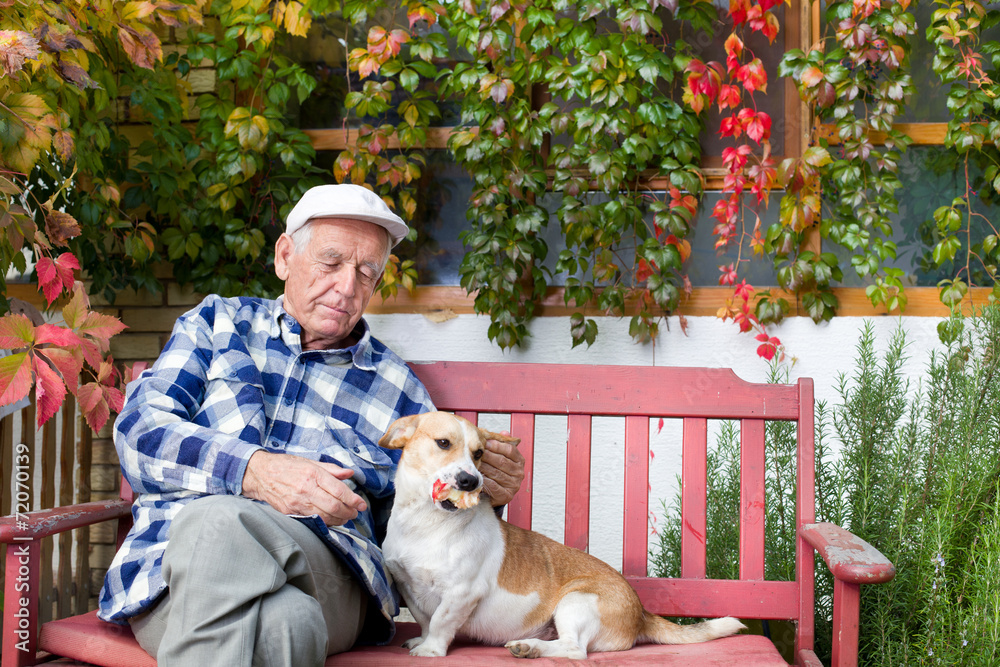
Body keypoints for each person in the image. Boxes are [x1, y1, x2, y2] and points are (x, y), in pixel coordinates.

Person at [98, 184, 526, 666]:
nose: (347, 287)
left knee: (219, 521)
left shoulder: (399, 391)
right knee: (286, 622)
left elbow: (419, 522)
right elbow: (139, 430)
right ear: (285, 256)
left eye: (367, 273)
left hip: (331, 574)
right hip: (174, 573)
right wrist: (253, 471)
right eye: (331, 262)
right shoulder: (217, 326)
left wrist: (482, 493)